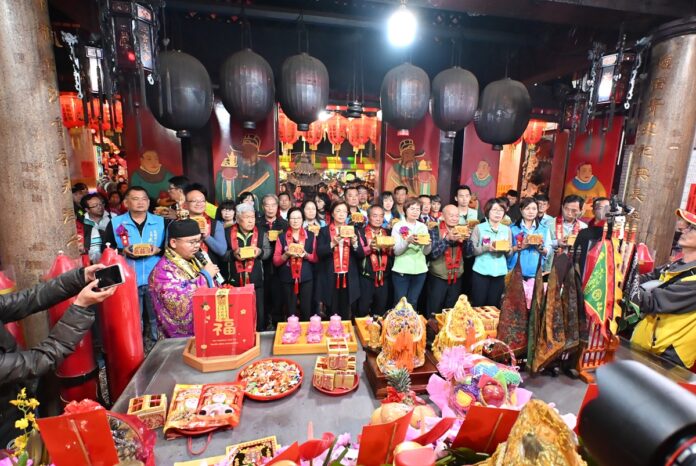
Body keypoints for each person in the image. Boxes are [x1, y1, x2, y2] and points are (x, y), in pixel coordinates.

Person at [0, 264, 116, 447]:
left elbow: (31, 298)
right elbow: (41, 359)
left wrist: (80, 277)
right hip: (6, 422)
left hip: (19, 397)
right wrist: (80, 307)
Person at [631, 208, 696, 369]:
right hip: (649, 343)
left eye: (691, 228)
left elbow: (654, 302)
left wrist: (624, 287)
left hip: (668, 354)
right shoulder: (677, 264)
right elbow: (649, 277)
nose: (683, 229)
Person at [108, 186, 165, 345]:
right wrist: (123, 251)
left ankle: (157, 345)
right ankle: (136, 348)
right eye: (135, 199)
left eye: (144, 199)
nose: (141, 202)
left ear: (149, 202)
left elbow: (170, 248)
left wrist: (158, 250)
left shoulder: (161, 222)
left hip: (155, 277)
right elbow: (106, 249)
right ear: (126, 202)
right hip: (128, 278)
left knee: (156, 316)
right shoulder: (116, 223)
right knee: (133, 317)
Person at [149, 219, 219, 338]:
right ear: (173, 242)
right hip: (179, 339)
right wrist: (206, 276)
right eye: (191, 242)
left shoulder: (194, 259)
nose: (197, 245)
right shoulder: (163, 271)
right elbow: (178, 300)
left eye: (198, 241)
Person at [316, 201, 366, 319]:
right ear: (332, 214)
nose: (341, 214)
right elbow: (319, 252)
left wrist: (355, 243)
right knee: (331, 310)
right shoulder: (324, 231)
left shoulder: (353, 230)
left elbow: (361, 254)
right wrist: (333, 243)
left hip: (349, 276)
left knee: (347, 311)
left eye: (344, 211)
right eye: (338, 211)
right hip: (330, 275)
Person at [230, 203, 272, 331]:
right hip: (234, 282)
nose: (250, 221)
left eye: (252, 217)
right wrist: (233, 254)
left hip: (256, 279)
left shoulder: (261, 232)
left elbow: (268, 251)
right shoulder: (228, 232)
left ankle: (259, 332)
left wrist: (260, 252)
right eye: (246, 217)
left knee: (258, 311)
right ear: (238, 219)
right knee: (237, 312)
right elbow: (222, 254)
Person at [426, 204, 473, 317]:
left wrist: (466, 241)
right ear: (443, 216)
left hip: (456, 278)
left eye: (457, 216)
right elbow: (432, 254)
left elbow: (469, 254)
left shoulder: (463, 230)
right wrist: (447, 239)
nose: (454, 218)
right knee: (434, 312)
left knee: (451, 313)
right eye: (451, 215)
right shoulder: (434, 231)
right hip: (438, 278)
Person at [273, 207, 318, 320]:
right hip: (288, 278)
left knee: (306, 310)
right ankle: (291, 330)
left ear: (303, 219)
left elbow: (316, 258)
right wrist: (286, 254)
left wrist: (306, 255)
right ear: (288, 220)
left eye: (298, 218)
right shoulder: (282, 237)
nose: (295, 221)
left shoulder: (311, 236)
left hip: (306, 278)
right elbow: (276, 261)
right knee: (290, 311)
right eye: (292, 218)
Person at [470, 198, 513, 307]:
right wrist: (486, 248)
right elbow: (472, 250)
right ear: (488, 211)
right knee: (478, 304)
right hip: (481, 272)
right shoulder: (479, 228)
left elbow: (510, 253)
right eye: (494, 210)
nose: (498, 213)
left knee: (494, 306)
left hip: (500, 273)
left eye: (501, 210)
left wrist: (507, 250)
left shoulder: (507, 229)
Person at [215, 134, 276, 207]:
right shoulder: (234, 165)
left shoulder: (266, 169)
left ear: (257, 151)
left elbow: (269, 196)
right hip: (233, 209)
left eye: (251, 149)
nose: (248, 153)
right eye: (245, 149)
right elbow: (221, 181)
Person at [391, 198, 432, 306]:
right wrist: (407, 241)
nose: (415, 212)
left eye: (418, 209)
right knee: (400, 303)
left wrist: (428, 244)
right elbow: (396, 251)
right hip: (402, 270)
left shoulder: (423, 227)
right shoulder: (398, 226)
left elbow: (426, 252)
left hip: (420, 270)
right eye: (412, 209)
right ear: (405, 210)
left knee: (413, 301)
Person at [257, 194, 288, 329]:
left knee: (278, 298)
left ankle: (278, 325)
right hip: (262, 266)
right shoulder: (257, 224)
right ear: (263, 207)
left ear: (277, 206)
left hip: (280, 267)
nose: (270, 208)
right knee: (263, 298)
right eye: (267, 205)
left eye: (273, 205)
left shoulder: (284, 224)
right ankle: (263, 325)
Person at [356, 205, 394, 317]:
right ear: (368, 217)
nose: (378, 219)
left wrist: (390, 249)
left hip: (384, 277)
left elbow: (394, 254)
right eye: (375, 216)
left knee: (380, 309)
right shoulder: (360, 232)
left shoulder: (388, 232)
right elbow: (357, 253)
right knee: (362, 309)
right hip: (366, 277)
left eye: (381, 216)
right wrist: (369, 248)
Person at [508, 197, 552, 279]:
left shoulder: (544, 229)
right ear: (521, 210)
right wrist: (521, 246)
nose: (531, 212)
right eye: (527, 208)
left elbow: (548, 251)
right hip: (514, 271)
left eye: (534, 209)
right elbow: (507, 251)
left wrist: (540, 248)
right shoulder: (512, 228)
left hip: (535, 273)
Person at [184, 184, 227, 262]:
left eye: (202, 201)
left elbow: (222, 251)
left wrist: (206, 236)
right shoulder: (178, 223)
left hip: (211, 267)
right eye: (194, 201)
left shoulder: (215, 224)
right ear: (185, 204)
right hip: (184, 267)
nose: (199, 203)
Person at [573, 197, 610, 278]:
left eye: (608, 207)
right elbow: (576, 256)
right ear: (593, 211)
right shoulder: (584, 232)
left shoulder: (612, 232)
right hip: (585, 271)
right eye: (601, 208)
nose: (605, 210)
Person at [79, 193, 113, 263]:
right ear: (87, 209)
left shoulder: (113, 218)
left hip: (111, 259)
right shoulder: (81, 222)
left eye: (101, 204)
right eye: (95, 205)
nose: (100, 207)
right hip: (89, 262)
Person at [216, 201, 237, 282]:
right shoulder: (215, 225)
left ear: (235, 212)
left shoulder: (239, 225)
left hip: (234, 258)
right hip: (219, 258)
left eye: (230, 210)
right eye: (224, 210)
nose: (227, 213)